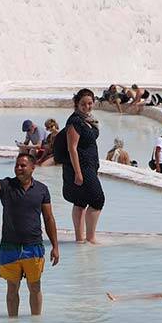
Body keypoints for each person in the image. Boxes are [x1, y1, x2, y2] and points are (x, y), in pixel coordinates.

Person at [0, 154, 60, 316]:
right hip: (9, 247)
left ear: (33, 168)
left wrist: (55, 246)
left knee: (35, 287)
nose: (18, 168)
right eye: (17, 165)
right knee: (12, 288)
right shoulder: (6, 186)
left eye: (23, 166)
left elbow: (48, 218)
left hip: (33, 247)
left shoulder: (42, 190)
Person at [59, 88, 104, 243]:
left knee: (80, 201)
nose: (87, 106)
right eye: (83, 104)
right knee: (98, 200)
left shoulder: (88, 120)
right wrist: (78, 173)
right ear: (77, 104)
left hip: (89, 166)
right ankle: (91, 238)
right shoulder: (75, 122)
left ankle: (80, 239)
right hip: (81, 167)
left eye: (90, 103)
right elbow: (72, 148)